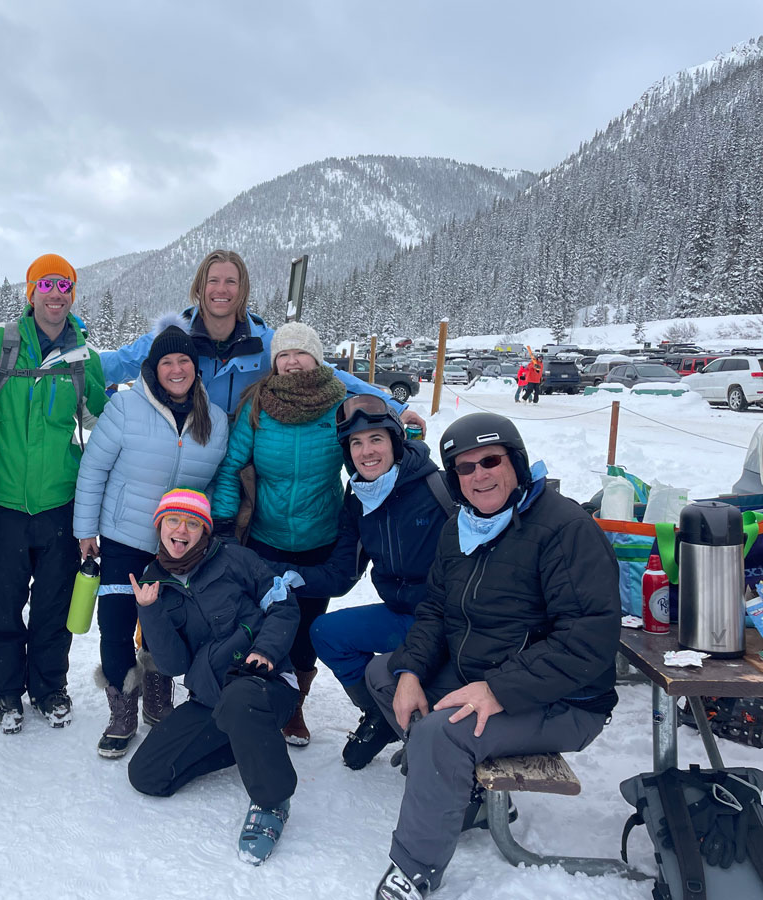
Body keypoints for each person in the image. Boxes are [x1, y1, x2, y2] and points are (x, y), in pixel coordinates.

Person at [367, 413, 620, 900]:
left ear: (516, 464)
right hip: (482, 675)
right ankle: (464, 791)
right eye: (465, 468)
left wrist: (499, 689)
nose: (479, 475)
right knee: (385, 672)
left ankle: (415, 869)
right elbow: (436, 610)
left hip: (563, 700)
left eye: (490, 461)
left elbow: (587, 639)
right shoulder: (461, 529)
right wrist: (412, 670)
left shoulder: (563, 529)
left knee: (440, 734)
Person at [263, 392, 451, 768]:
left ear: (395, 442)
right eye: (356, 443)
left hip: (448, 621)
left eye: (376, 439)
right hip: (401, 614)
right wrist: (289, 576)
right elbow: (341, 573)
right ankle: (380, 710)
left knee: (415, 672)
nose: (367, 451)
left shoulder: (440, 490)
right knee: (327, 632)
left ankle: (441, 744)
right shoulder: (360, 497)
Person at [0, 253, 108, 735]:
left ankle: (48, 688)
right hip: (0, 502)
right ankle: (5, 692)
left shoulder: (84, 358)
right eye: (47, 284)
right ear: (31, 291)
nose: (57, 294)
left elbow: (104, 427)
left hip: (60, 505)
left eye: (66, 286)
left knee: (53, 604)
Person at [73, 326, 229, 758]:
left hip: (179, 545)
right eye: (167, 362)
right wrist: (86, 530)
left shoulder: (214, 421)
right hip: (125, 536)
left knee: (168, 622)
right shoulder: (124, 407)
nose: (176, 369)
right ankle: (121, 706)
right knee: (118, 621)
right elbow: (93, 471)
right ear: (153, 369)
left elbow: (215, 483)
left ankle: (158, 697)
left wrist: (203, 535)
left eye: (184, 362)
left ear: (196, 371)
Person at [126, 489, 301, 866]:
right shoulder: (154, 581)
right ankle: (249, 744)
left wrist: (266, 651)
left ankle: (271, 801)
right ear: (160, 527)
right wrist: (150, 611)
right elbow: (173, 664)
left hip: (264, 686)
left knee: (240, 699)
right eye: (172, 520)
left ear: (204, 531)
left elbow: (284, 605)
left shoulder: (236, 559)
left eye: (192, 523)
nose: (181, 530)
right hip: (211, 699)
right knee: (147, 775)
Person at [98, 249, 424, 430]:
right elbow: (117, 363)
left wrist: (394, 407)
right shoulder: (173, 339)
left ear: (242, 291)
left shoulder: (267, 343)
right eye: (213, 281)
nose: (221, 289)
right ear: (200, 287)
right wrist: (58, 361)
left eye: (230, 281)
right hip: (184, 457)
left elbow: (328, 377)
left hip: (244, 465)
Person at [208, 321, 346, 746]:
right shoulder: (257, 405)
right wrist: (226, 527)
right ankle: (258, 696)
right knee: (265, 623)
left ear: (317, 358)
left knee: (306, 631)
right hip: (264, 539)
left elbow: (373, 446)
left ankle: (295, 706)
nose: (290, 362)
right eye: (283, 355)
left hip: (318, 541)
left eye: (300, 353)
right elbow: (232, 468)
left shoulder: (340, 406)